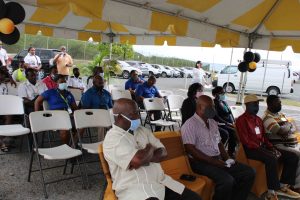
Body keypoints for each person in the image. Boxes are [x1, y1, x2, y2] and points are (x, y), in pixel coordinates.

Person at [103, 98, 202, 200]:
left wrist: (144, 156)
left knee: (195, 198)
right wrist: (150, 147)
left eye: (138, 112)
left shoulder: (143, 130)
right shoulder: (113, 139)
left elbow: (163, 152)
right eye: (134, 114)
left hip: (161, 183)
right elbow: (138, 160)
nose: (138, 117)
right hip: (135, 190)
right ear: (120, 117)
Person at [181, 95, 255, 200]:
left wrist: (227, 158)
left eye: (213, 107)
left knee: (249, 172)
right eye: (210, 107)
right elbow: (190, 149)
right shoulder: (189, 125)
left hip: (217, 159)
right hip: (200, 163)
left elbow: (219, 143)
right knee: (227, 181)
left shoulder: (212, 122)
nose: (213, 110)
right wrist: (213, 161)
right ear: (200, 107)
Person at [236, 94, 300, 200]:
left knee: (292, 156)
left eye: (257, 104)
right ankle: (271, 193)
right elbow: (246, 141)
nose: (257, 107)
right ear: (247, 105)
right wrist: (267, 151)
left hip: (262, 148)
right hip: (250, 150)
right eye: (254, 104)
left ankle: (283, 185)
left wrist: (272, 148)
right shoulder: (241, 120)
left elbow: (264, 138)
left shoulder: (258, 119)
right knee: (272, 158)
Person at [263, 95, 300, 193]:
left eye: (280, 102)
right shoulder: (267, 117)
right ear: (269, 104)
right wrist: (286, 128)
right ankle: (292, 185)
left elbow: (294, 127)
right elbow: (278, 130)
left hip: (288, 144)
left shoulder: (280, 115)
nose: (280, 104)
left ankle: (294, 183)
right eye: (277, 102)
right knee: (296, 156)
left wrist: (287, 128)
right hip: (277, 146)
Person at [34, 75, 77, 144]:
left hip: (67, 115)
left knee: (81, 126)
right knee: (65, 131)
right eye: (61, 82)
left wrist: (74, 114)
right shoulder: (50, 92)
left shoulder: (69, 94)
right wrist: (37, 115)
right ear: (56, 83)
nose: (64, 83)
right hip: (55, 116)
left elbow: (75, 108)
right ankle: (66, 148)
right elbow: (37, 101)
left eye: (64, 81)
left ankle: (73, 144)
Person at [80, 75, 113, 141]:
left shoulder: (106, 93)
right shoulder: (88, 94)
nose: (102, 85)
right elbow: (85, 110)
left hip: (107, 114)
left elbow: (111, 107)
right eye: (99, 83)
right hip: (93, 116)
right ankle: (101, 144)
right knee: (104, 123)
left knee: (119, 121)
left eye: (102, 83)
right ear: (94, 83)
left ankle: (113, 142)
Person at [212, 86, 237, 157]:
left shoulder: (223, 102)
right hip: (221, 123)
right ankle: (228, 152)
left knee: (236, 130)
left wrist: (233, 121)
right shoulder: (214, 104)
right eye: (221, 93)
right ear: (215, 94)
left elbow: (229, 113)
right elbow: (217, 117)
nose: (223, 94)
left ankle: (231, 151)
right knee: (232, 132)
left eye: (223, 92)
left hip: (228, 123)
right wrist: (227, 123)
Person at [0, 68, 13, 152]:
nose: (2, 76)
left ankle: (3, 138)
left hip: (3, 105)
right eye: (0, 74)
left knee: (9, 115)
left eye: (2, 75)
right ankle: (2, 142)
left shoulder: (4, 85)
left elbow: (6, 98)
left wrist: (11, 79)